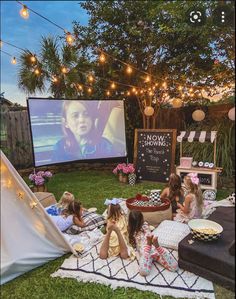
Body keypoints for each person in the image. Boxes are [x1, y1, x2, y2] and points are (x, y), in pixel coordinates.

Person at [128, 210, 178, 276]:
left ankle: (157, 246)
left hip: (153, 248)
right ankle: (153, 245)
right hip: (146, 252)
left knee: (174, 268)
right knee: (143, 272)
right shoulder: (132, 232)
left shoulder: (144, 226)